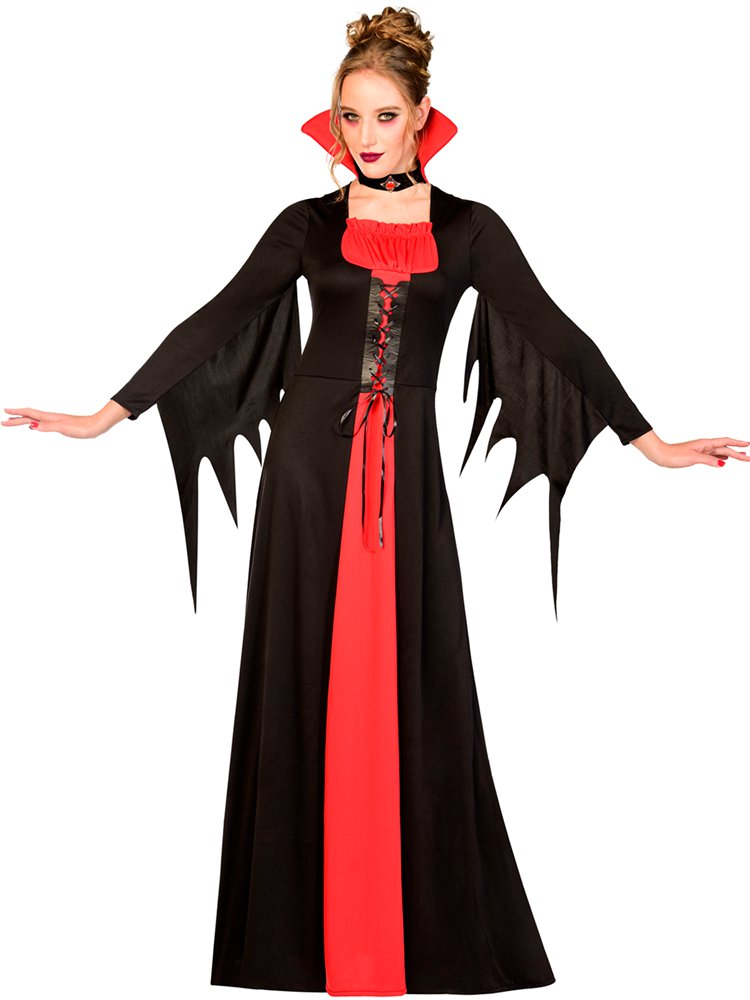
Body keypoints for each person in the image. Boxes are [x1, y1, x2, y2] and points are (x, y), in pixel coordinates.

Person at [3, 5, 748, 996]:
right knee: (304, 677)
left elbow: (556, 333)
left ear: (423, 115)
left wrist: (649, 442)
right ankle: (294, 943)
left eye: (384, 115)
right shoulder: (307, 225)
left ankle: (423, 937)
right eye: (349, 115)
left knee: (418, 674)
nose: (364, 135)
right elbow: (216, 319)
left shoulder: (470, 230)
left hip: (407, 484)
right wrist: (107, 416)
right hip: (308, 481)